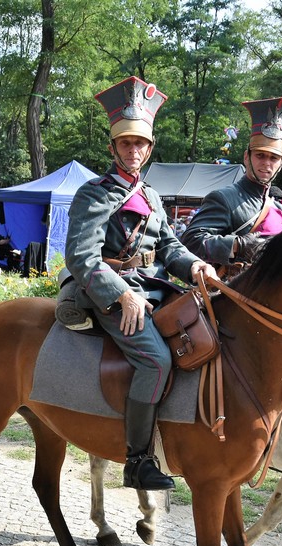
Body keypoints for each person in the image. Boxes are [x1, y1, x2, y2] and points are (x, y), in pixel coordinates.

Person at [64, 76, 219, 491]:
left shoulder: (151, 196)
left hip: (154, 291)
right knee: (156, 359)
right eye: (126, 144)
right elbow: (80, 257)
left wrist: (198, 267)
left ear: (150, 149)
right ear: (114, 147)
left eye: (141, 145)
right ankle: (137, 460)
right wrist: (121, 293)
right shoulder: (93, 194)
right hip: (109, 293)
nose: (134, 151)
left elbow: (169, 247)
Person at [180, 97, 282, 270]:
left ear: (281, 163)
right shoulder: (223, 198)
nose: (266, 163)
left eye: (274, 158)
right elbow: (190, 241)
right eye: (260, 155)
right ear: (247, 157)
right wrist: (238, 245)